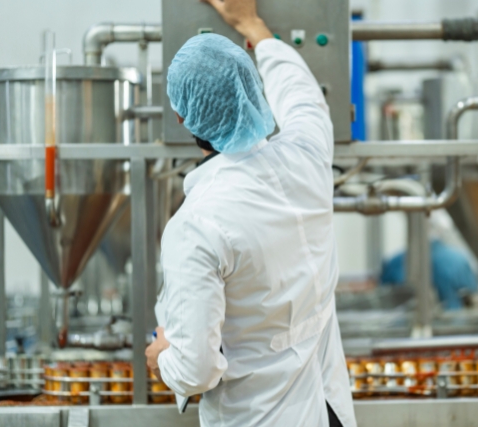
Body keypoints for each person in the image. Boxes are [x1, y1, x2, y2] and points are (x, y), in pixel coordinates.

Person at [144, 1, 356, 426]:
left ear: (180, 115)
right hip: (328, 411)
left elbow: (197, 370)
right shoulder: (308, 157)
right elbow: (302, 94)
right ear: (254, 91)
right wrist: (252, 25)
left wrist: (162, 354)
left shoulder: (195, 226)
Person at [380, 210, 478, 310]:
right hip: (452, 323)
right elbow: (472, 298)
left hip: (403, 324)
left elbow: (384, 302)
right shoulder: (459, 260)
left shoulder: (393, 263)